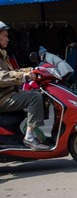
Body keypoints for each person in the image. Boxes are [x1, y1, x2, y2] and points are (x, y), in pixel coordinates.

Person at [0, 21, 49, 150]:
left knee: (40, 95)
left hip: (7, 93)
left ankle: (33, 135)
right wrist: (24, 76)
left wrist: (30, 70)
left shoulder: (2, 54)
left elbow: (10, 72)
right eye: (5, 35)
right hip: (3, 98)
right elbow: (2, 77)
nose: (8, 39)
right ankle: (29, 138)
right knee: (34, 97)